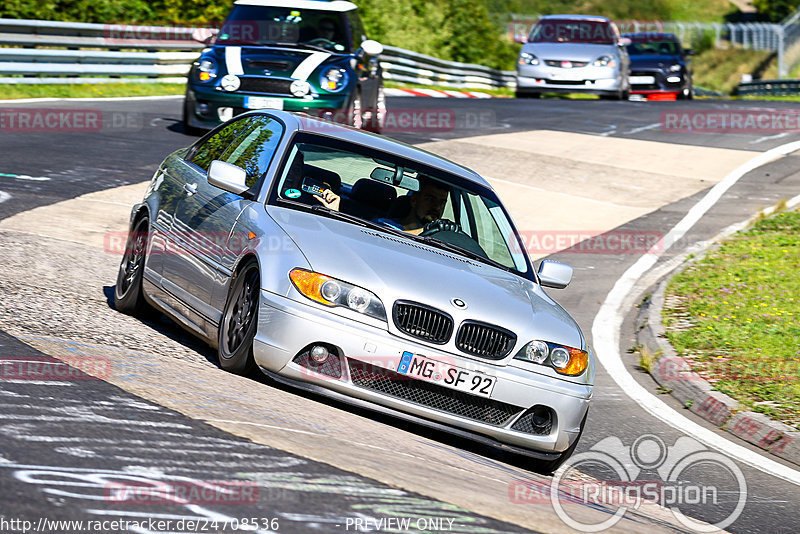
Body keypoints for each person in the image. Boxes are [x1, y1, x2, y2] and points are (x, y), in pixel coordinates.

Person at [379, 179, 459, 235]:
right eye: (430, 199)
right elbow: (382, 237)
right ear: (414, 200)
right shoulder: (384, 224)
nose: (437, 207)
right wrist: (428, 229)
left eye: (442, 203)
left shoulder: (439, 237)